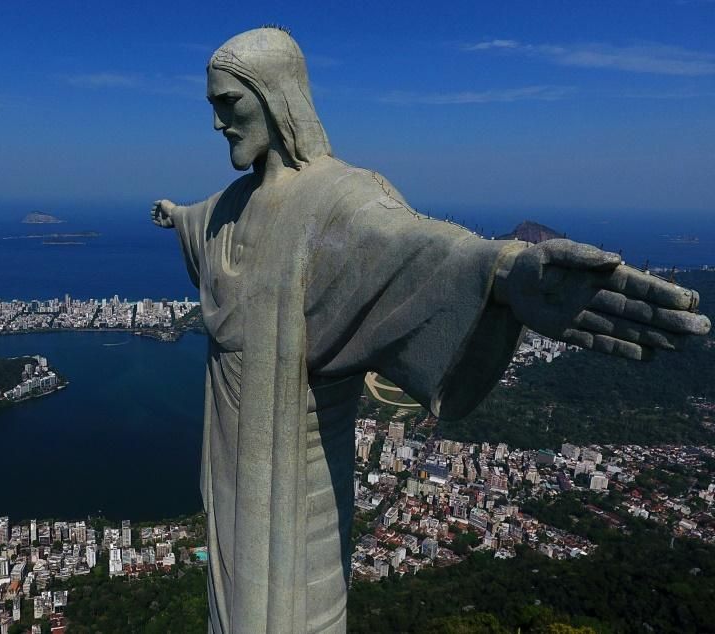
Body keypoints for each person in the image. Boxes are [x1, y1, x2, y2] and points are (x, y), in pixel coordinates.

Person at [150, 27, 711, 634]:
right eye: (212, 106)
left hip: (298, 485)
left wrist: (505, 271)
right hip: (232, 469)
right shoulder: (232, 204)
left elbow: (413, 245)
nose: (217, 123)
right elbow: (204, 223)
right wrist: (176, 215)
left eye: (227, 103)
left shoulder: (338, 198)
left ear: (274, 95)